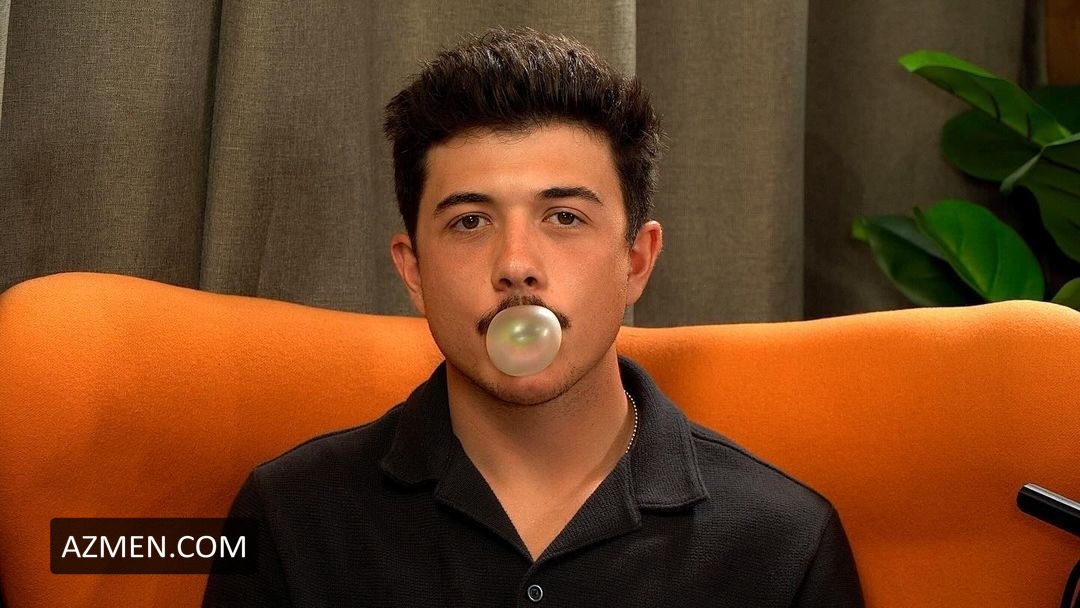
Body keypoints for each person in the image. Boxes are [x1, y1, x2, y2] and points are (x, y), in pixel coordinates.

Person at [203, 28, 863, 607]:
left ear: (636, 259)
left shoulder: (783, 543)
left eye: (564, 217)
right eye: (470, 222)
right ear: (414, 272)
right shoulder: (289, 519)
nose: (516, 264)